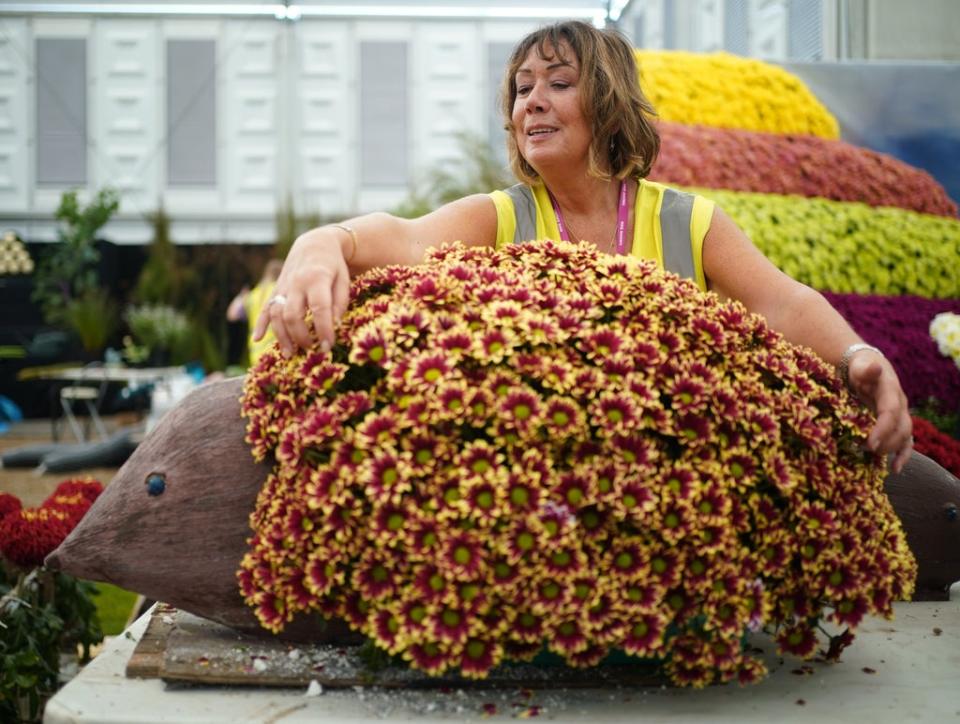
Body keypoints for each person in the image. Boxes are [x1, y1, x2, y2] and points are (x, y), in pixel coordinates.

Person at [255, 21, 912, 472]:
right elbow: (399, 237)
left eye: (558, 84)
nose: (531, 103)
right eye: (521, 89)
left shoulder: (688, 222)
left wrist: (857, 356)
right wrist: (319, 246)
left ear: (609, 101)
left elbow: (783, 303)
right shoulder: (502, 217)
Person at [228, 258, 284, 365]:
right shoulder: (280, 291)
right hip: (276, 350)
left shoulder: (253, 294)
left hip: (256, 351)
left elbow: (232, 314)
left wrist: (241, 296)